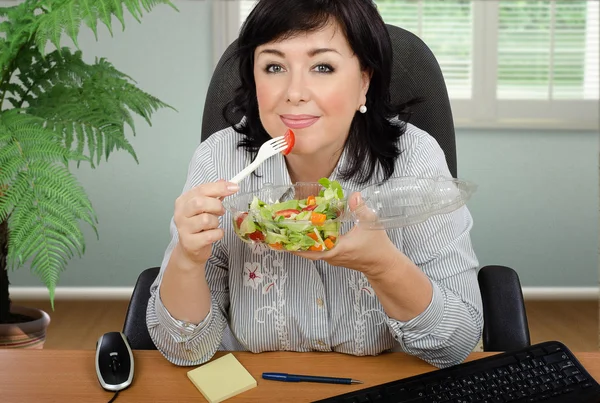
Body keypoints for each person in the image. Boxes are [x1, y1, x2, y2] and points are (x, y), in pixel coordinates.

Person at [147, 0, 483, 369]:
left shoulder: (414, 157)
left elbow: (458, 343)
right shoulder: (219, 159)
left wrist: (384, 266)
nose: (294, 92)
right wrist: (188, 259)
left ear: (363, 83)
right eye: (274, 67)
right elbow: (184, 350)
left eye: (322, 67)